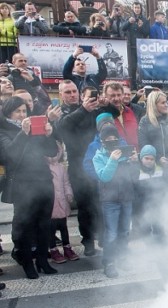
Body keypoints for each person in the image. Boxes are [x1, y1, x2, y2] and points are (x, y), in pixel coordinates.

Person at [0, 97, 58, 279]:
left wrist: (49, 135)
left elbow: (51, 152)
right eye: (18, 111)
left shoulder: (34, 128)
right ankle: (27, 263)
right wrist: (23, 134)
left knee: (44, 224)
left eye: (24, 111)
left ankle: (42, 260)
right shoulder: (4, 131)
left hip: (43, 181)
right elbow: (9, 156)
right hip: (23, 185)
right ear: (9, 113)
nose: (22, 115)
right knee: (25, 226)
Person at [55, 80, 102, 256]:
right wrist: (84, 109)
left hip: (97, 161)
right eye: (67, 92)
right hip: (77, 165)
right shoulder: (61, 111)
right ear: (61, 95)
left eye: (74, 91)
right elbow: (61, 127)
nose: (72, 95)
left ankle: (103, 235)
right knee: (85, 206)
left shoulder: (90, 107)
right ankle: (88, 241)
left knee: (100, 202)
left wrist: (102, 105)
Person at [92, 122, 139, 278]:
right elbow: (104, 176)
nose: (112, 141)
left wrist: (134, 162)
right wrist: (112, 160)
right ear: (103, 141)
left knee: (125, 231)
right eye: (108, 139)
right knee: (111, 233)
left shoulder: (124, 153)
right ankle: (109, 262)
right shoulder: (98, 157)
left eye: (114, 138)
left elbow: (134, 177)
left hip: (126, 197)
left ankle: (123, 257)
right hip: (110, 200)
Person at [137, 90, 168, 180]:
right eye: (163, 103)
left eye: (166, 102)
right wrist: (158, 159)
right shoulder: (145, 121)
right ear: (154, 104)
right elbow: (144, 144)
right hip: (155, 167)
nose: (166, 105)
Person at [47, 141, 80, 263]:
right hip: (51, 203)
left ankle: (67, 248)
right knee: (51, 228)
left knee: (63, 227)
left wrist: (69, 194)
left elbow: (66, 182)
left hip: (61, 201)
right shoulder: (45, 168)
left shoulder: (61, 168)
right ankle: (53, 249)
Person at [122, 1, 150, 89]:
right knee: (132, 67)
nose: (137, 9)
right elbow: (122, 28)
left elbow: (146, 33)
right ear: (133, 9)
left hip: (141, 47)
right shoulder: (129, 18)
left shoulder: (145, 20)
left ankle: (142, 85)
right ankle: (133, 85)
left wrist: (141, 26)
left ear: (141, 9)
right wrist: (129, 22)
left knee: (142, 67)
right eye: (135, 8)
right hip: (131, 47)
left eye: (138, 8)